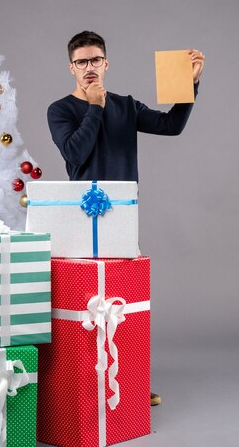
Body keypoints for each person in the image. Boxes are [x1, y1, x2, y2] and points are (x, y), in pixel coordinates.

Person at [47, 31, 205, 406]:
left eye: (95, 60)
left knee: (124, 299)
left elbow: (172, 125)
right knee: (83, 301)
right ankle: (84, 385)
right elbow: (75, 151)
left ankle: (130, 382)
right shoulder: (60, 110)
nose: (89, 67)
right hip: (80, 216)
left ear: (106, 63)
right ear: (71, 67)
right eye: (82, 62)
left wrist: (190, 84)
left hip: (122, 214)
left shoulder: (126, 106)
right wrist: (95, 108)